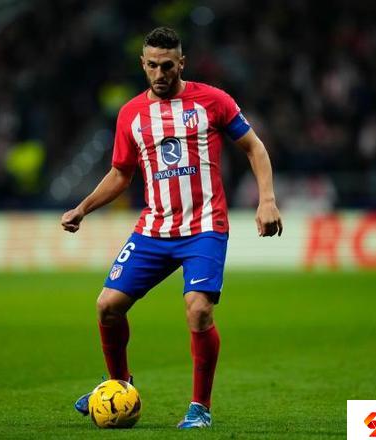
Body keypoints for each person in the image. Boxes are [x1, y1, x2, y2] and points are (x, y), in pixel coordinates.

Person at [61, 27, 282, 429]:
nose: (160, 73)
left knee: (198, 310)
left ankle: (200, 408)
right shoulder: (131, 114)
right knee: (107, 306)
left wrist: (266, 199)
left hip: (204, 227)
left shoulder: (213, 101)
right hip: (154, 228)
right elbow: (120, 173)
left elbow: (255, 147)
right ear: (142, 64)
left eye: (167, 65)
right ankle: (119, 385)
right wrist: (83, 208)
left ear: (182, 63)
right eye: (152, 65)